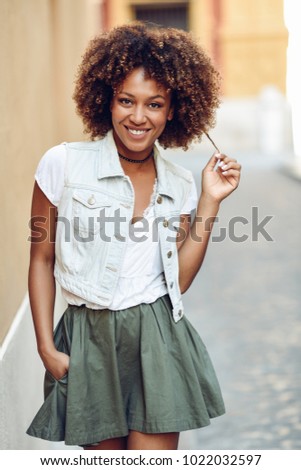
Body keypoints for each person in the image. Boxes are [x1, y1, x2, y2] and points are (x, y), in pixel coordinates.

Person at [26, 22, 241, 450]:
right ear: (107, 100)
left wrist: (209, 203)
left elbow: (174, 282)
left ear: (173, 110)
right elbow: (42, 260)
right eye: (126, 101)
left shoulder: (179, 184)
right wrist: (46, 348)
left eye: (154, 104)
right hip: (88, 337)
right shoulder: (62, 164)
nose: (138, 117)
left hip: (157, 337)